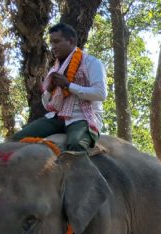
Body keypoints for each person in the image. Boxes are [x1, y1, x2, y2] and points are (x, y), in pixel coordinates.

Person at [10, 22, 107, 153]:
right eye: (51, 43)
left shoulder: (92, 63)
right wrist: (49, 91)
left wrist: (68, 85)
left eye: (56, 42)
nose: (53, 47)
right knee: (16, 140)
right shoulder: (55, 69)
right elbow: (47, 106)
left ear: (71, 41)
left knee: (76, 145)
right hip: (57, 118)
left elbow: (101, 94)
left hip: (83, 118)